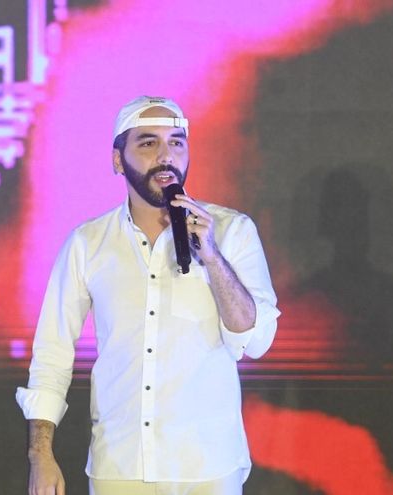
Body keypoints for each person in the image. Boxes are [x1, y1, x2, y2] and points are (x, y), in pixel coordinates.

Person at [15, 96, 280, 495]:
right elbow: (53, 352)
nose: (165, 155)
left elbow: (255, 341)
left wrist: (211, 256)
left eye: (176, 142)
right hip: (121, 465)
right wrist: (41, 455)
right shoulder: (88, 243)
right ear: (118, 160)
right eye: (148, 143)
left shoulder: (231, 231)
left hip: (208, 464)